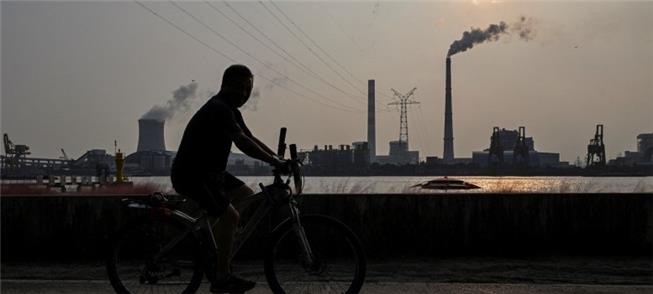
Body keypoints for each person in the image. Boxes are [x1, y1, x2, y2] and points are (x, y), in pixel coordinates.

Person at [171, 64, 285, 293]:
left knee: (247, 196)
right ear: (225, 85)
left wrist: (278, 158)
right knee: (231, 216)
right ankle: (222, 276)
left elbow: (250, 138)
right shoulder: (219, 108)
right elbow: (242, 143)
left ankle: (212, 244)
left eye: (248, 90)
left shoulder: (232, 111)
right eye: (240, 88)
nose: (244, 94)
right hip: (192, 174)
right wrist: (275, 162)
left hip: (212, 174)